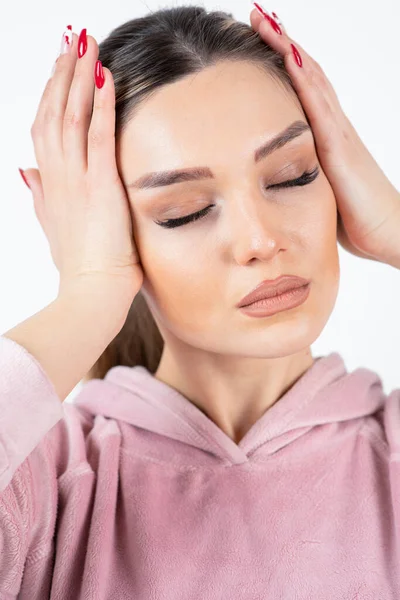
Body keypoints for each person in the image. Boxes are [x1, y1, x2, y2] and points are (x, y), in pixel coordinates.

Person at [1, 4, 400, 598]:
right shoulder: (48, 485)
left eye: (293, 175)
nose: (261, 242)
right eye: (184, 211)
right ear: (111, 230)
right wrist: (89, 291)